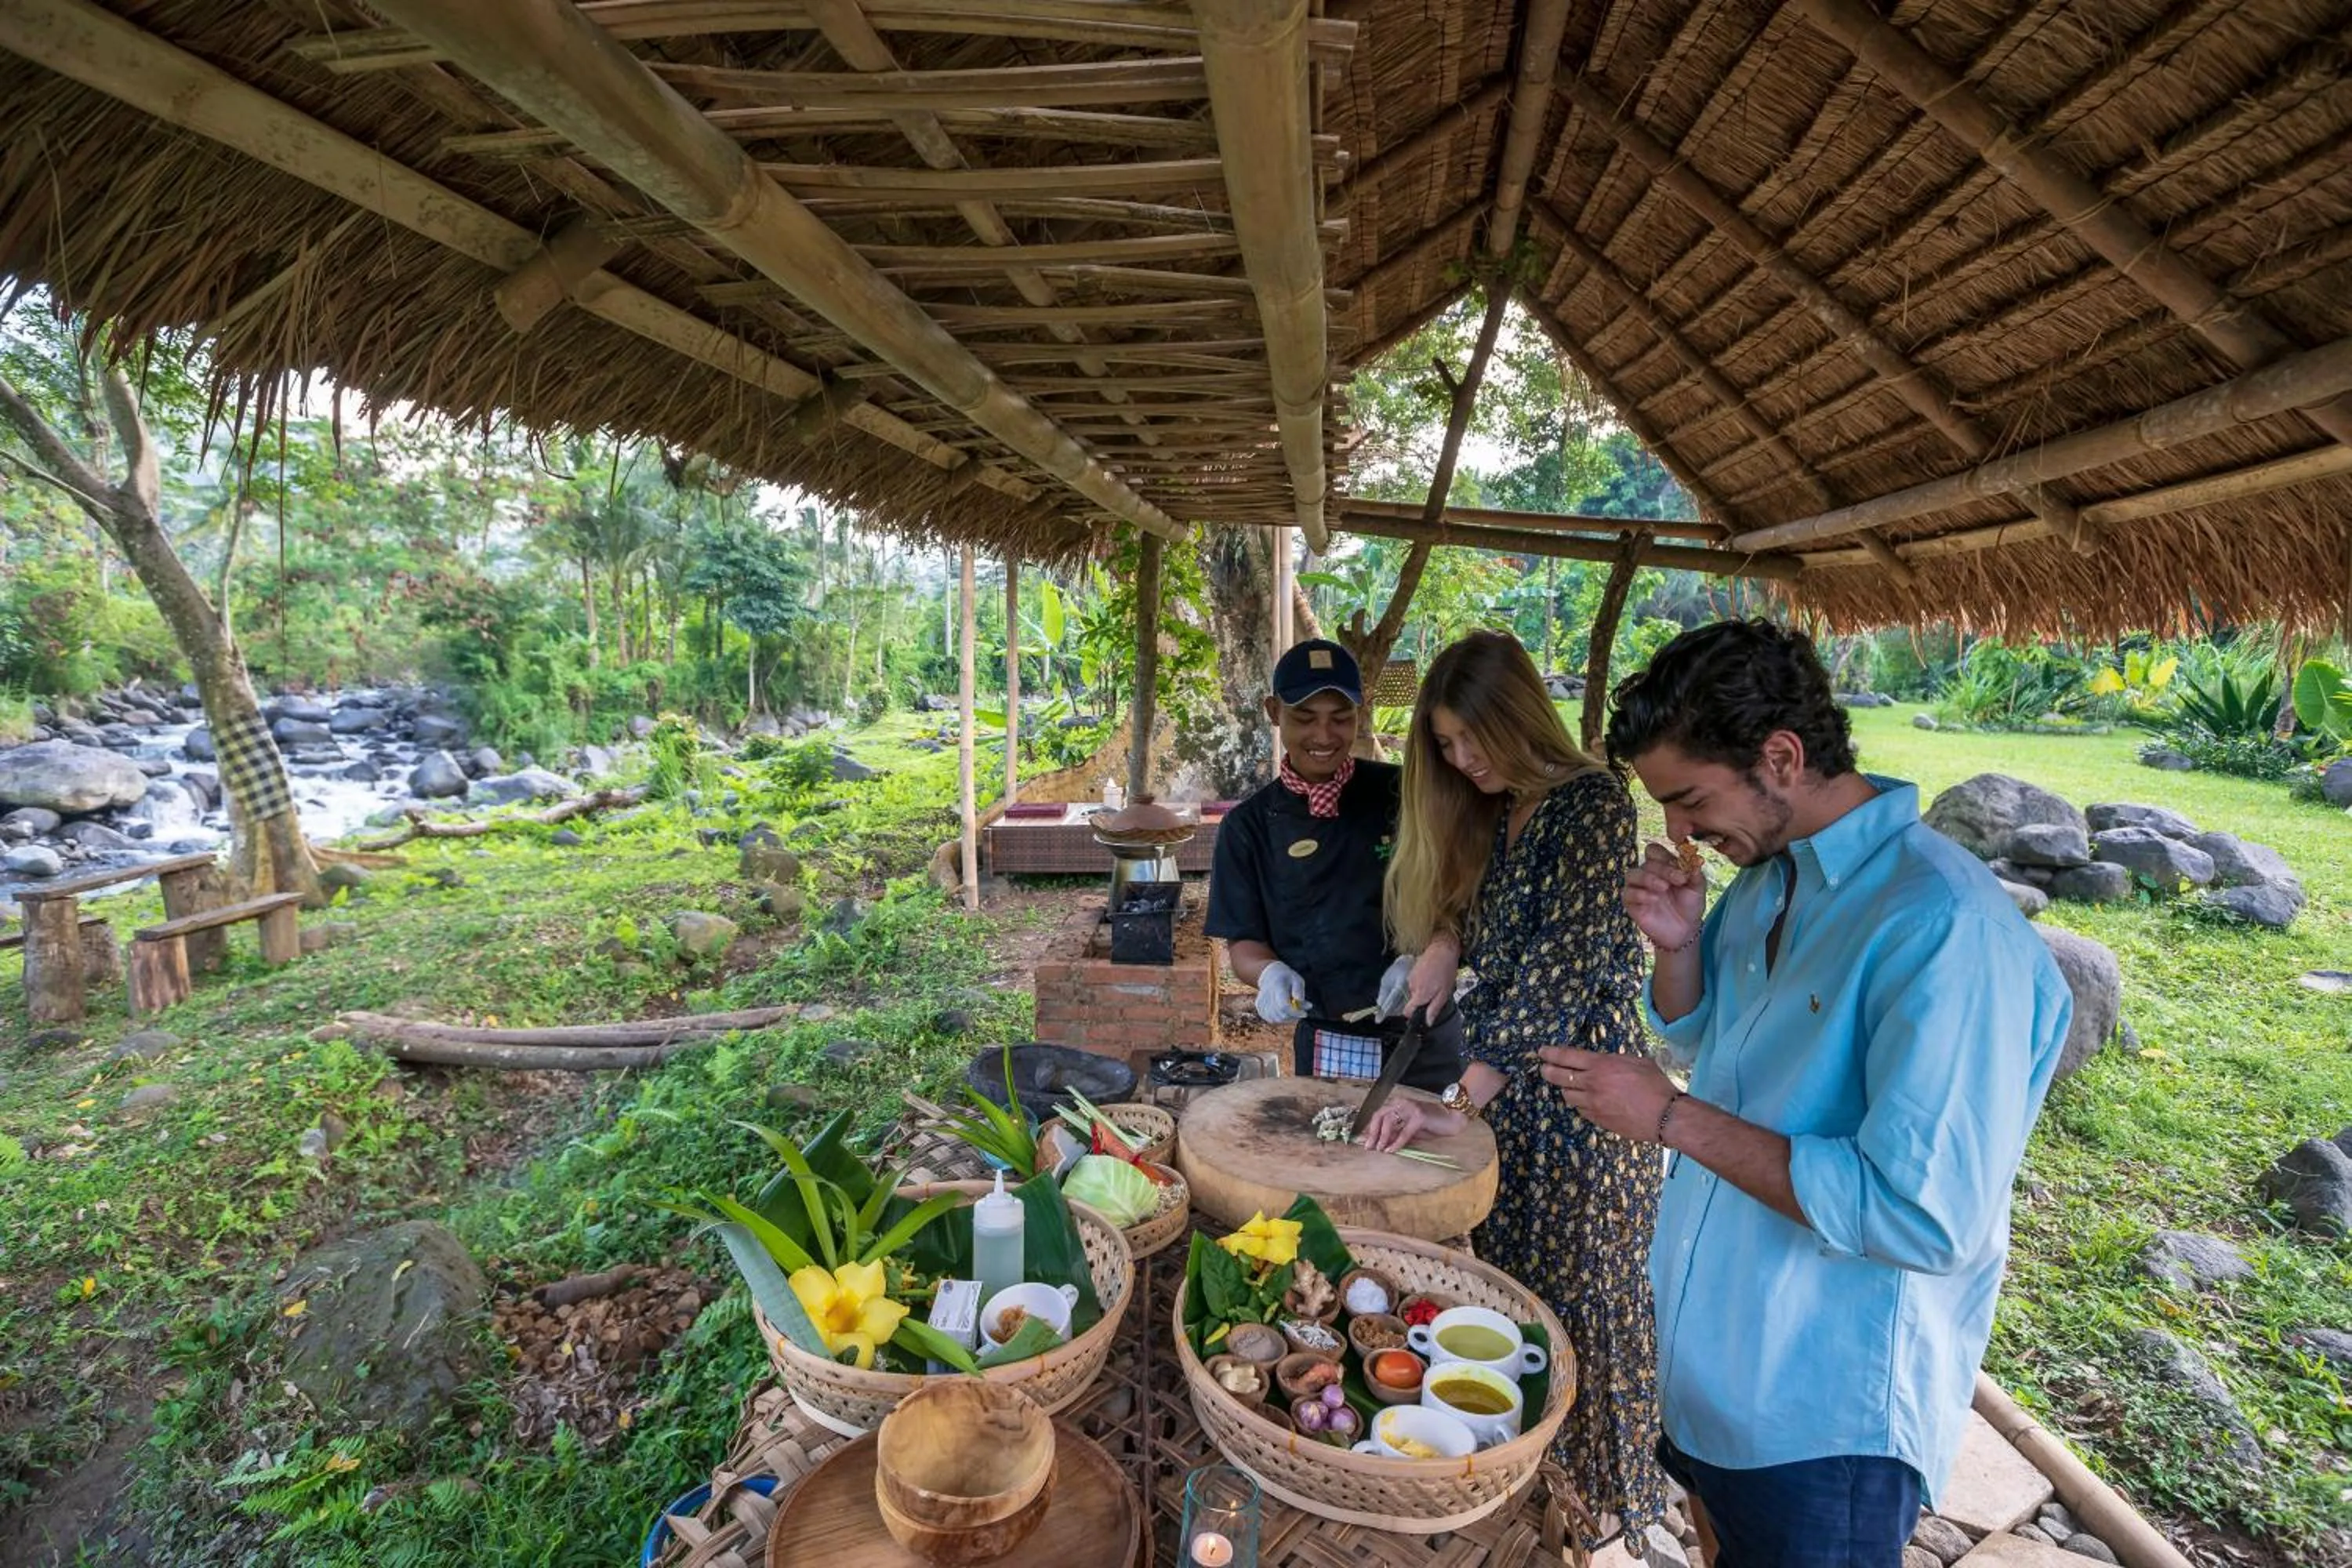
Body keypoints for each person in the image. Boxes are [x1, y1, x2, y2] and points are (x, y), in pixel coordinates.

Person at [1544, 619, 2071, 1568]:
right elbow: (1704, 1036)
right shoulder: (1771, 877)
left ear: (1781, 758)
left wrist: (1666, 1114)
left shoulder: (1944, 926)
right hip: (1717, 1355)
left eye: (1691, 799)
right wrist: (1677, 945)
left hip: (1823, 1414)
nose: (1682, 831)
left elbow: (1920, 1211)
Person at [1359, 630, 1667, 1551]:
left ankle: (1590, 1516)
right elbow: (1483, 915)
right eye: (1446, 746)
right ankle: (1520, 1496)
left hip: (1585, 1105)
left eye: (1471, 738)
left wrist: (1455, 1103)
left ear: (1517, 717)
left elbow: (1556, 976)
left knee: (1581, 1310)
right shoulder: (1502, 812)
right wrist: (1443, 943)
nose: (1462, 760)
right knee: (1514, 1302)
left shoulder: (1592, 805)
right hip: (1512, 1103)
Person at [1204, 637, 1465, 1090]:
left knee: (1441, 1132)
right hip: (1334, 1037)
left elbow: (1458, 894)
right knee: (1341, 1134)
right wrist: (1269, 974)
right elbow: (1244, 942)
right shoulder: (1248, 827)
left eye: (1341, 718)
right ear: (1274, 711)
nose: (1324, 736)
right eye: (1305, 718)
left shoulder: (1404, 795)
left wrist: (1424, 955)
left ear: (1359, 714)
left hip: (1425, 1026)